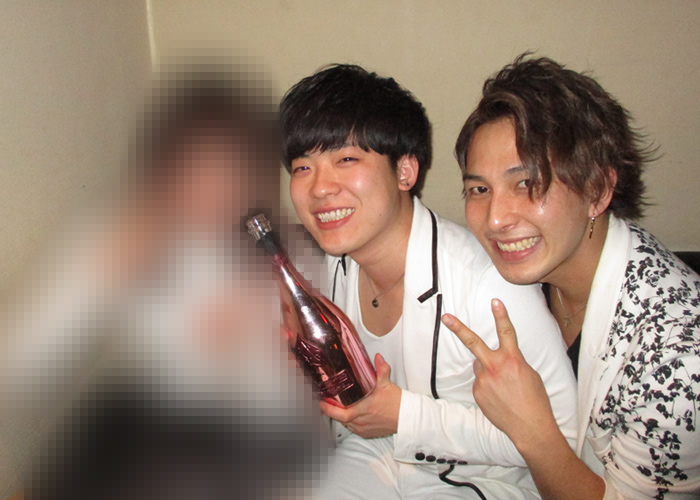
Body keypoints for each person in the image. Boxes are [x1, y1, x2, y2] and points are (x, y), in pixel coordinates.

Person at [1, 59, 321, 500]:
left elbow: (298, 411)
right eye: (193, 165)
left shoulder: (289, 252)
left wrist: (245, 353)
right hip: (153, 422)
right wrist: (93, 277)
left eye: (233, 167)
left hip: (257, 436)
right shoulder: (123, 234)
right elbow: (17, 366)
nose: (215, 186)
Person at [280, 63, 578, 499]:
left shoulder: (486, 284)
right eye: (302, 167)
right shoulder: (329, 269)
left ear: (405, 171)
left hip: (488, 476)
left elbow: (563, 438)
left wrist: (405, 416)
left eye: (345, 159)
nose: (320, 188)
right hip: (377, 452)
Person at [445, 54, 700, 500]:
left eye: (527, 183)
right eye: (479, 189)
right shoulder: (533, 273)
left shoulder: (679, 355)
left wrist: (533, 432)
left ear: (597, 190)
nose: (496, 219)